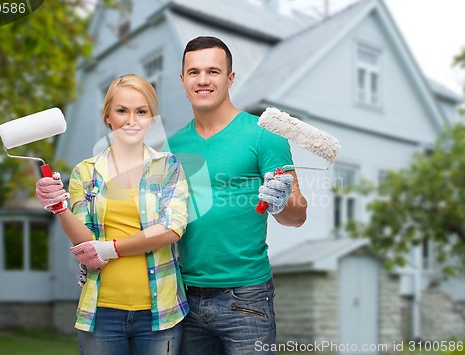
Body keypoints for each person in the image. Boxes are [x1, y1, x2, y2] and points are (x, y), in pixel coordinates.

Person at [163, 36, 308, 355]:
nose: (203, 80)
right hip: (184, 298)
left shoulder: (263, 135)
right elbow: (155, 221)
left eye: (213, 71)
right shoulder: (169, 148)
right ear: (183, 79)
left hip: (246, 299)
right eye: (194, 72)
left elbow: (297, 216)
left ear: (230, 78)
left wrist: (281, 202)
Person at [35, 74, 189, 355]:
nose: (132, 120)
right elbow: (84, 241)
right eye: (122, 111)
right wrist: (59, 207)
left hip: (160, 313)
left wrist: (110, 249)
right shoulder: (86, 171)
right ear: (108, 116)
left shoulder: (168, 166)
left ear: (151, 118)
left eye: (141, 111)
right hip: (101, 313)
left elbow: (171, 229)